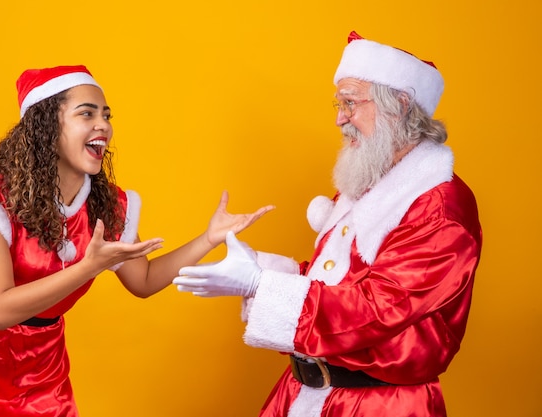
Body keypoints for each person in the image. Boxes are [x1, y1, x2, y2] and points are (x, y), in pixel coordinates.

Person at [0, 65, 273, 416]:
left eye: (106, 114)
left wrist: (209, 238)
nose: (103, 124)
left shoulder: (106, 206)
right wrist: (88, 267)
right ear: (46, 127)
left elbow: (144, 281)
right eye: (86, 113)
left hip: (42, 366)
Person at [173, 31, 482, 417]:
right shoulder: (369, 183)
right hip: (302, 392)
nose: (339, 118)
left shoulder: (438, 204)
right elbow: (339, 285)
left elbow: (381, 307)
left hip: (379, 406)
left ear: (401, 105)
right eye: (338, 103)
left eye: (350, 103)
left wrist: (260, 284)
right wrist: (262, 267)